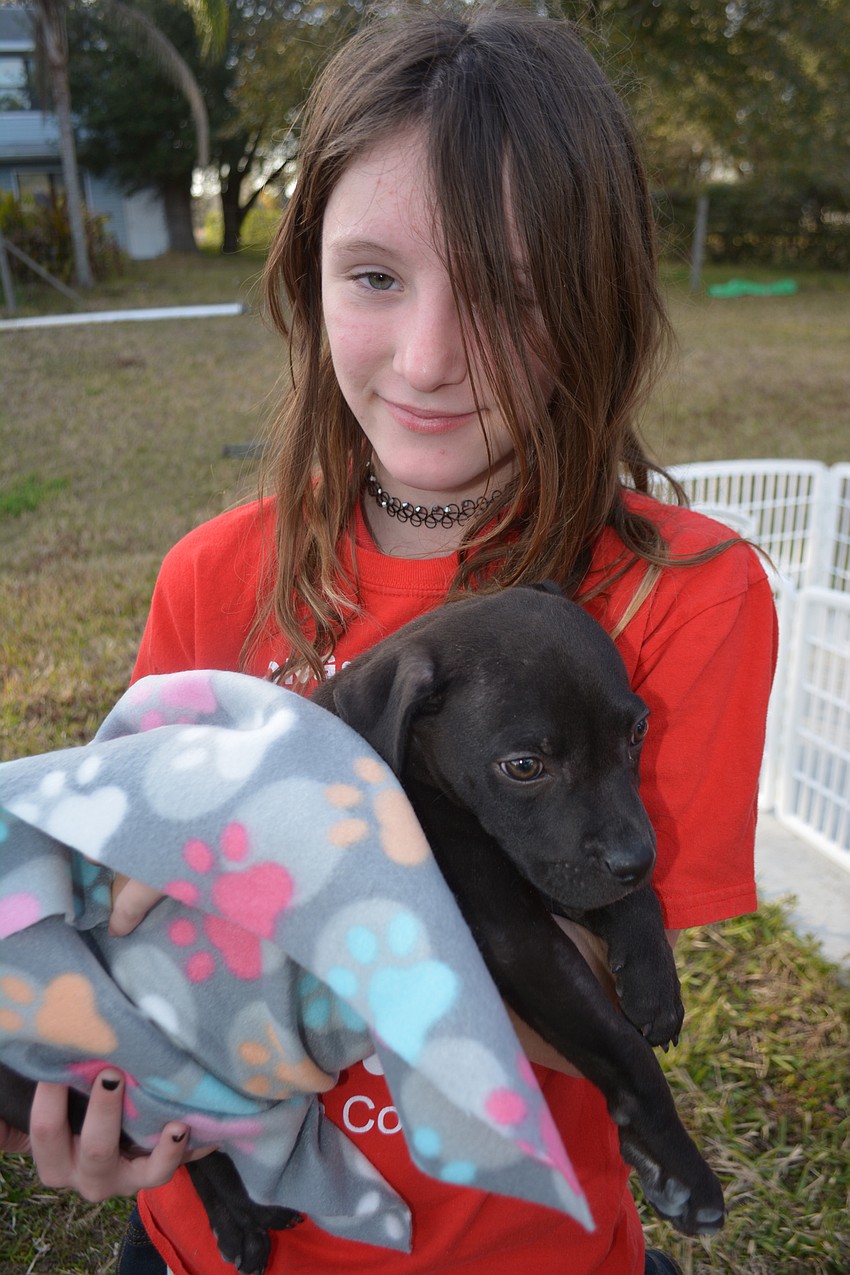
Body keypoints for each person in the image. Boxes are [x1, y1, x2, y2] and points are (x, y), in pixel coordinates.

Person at [2, 5, 777, 1273]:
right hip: (207, 1238)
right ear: (305, 276)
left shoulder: (681, 592)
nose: (427, 360)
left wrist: (253, 866)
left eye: (512, 295)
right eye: (375, 276)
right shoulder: (214, 573)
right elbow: (128, 931)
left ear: (599, 301)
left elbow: (604, 955)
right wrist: (111, 1068)